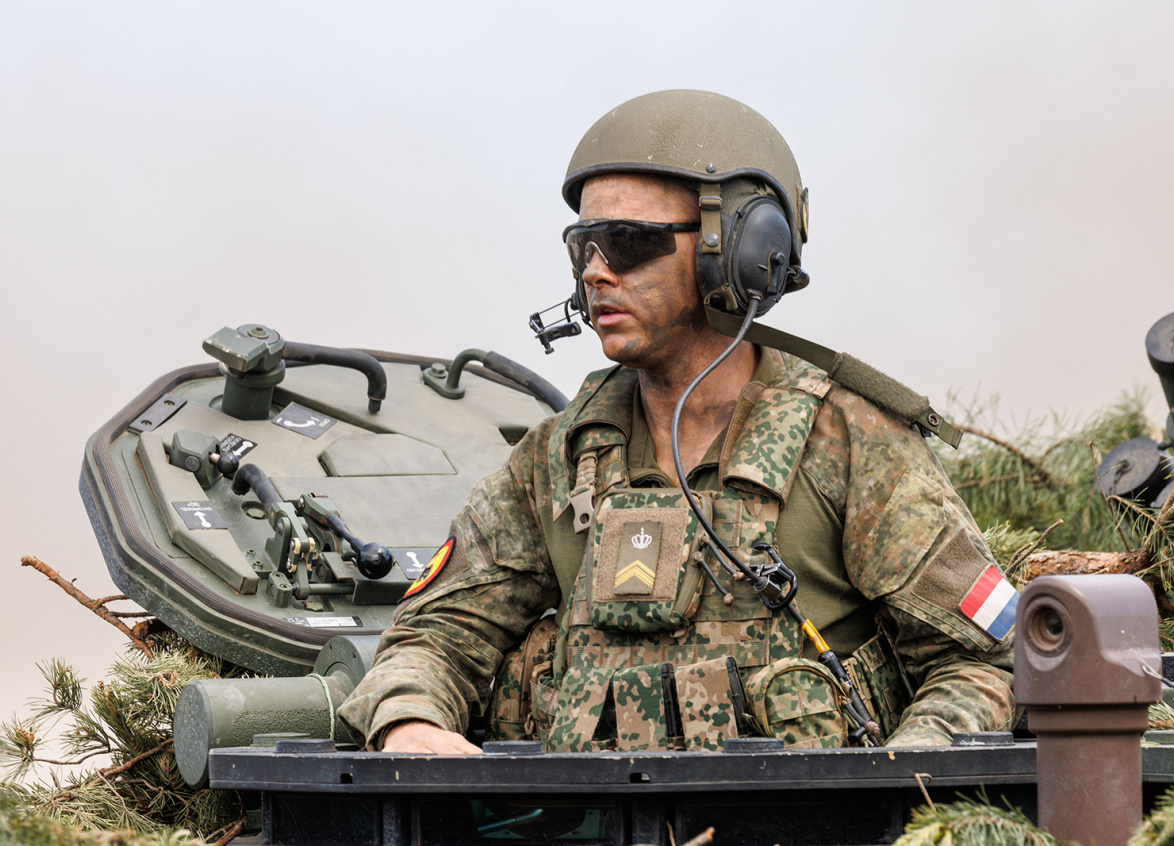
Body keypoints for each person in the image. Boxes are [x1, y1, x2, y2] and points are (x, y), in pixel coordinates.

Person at [338, 90, 1016, 754]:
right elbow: (436, 634)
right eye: (583, 246)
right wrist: (410, 720)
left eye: (628, 242)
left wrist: (900, 777)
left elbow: (987, 662)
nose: (596, 273)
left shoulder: (848, 441)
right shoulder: (560, 457)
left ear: (742, 249)